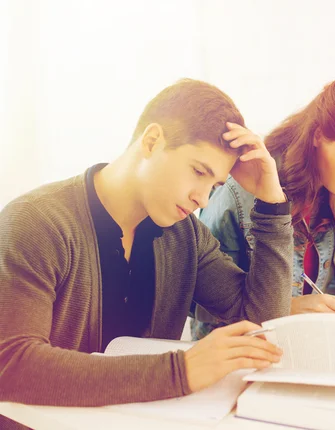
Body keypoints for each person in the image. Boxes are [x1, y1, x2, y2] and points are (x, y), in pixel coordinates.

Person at [0, 79, 293, 429]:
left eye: (214, 185)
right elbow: (11, 365)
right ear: (152, 141)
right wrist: (179, 372)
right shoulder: (36, 221)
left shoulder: (186, 236)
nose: (203, 198)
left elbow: (262, 320)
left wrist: (272, 204)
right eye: (199, 171)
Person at [192, 70, 335, 339]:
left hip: (304, 342)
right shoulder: (242, 192)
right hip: (241, 347)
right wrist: (284, 309)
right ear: (318, 136)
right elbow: (202, 307)